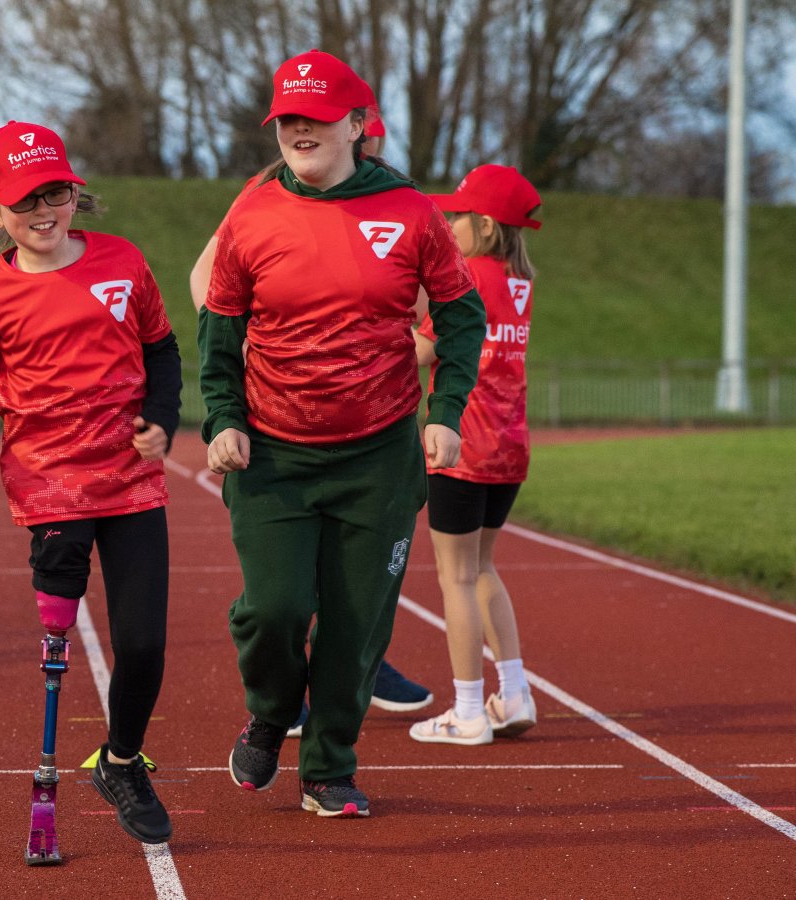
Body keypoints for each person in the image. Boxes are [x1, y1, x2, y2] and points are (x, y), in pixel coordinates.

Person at [198, 50, 486, 817]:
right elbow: (219, 328)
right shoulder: (252, 211)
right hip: (273, 455)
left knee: (357, 627)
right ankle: (270, 710)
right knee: (276, 610)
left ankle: (328, 768)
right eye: (287, 117)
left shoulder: (412, 211)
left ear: (357, 123)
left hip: (379, 457)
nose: (299, 129)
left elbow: (462, 314)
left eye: (316, 117)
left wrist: (446, 411)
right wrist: (222, 418)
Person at [0, 121, 183, 845]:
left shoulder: (123, 262)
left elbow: (162, 352)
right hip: (49, 485)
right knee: (62, 627)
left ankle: (120, 760)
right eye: (24, 202)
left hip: (132, 478)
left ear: (76, 192)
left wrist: (160, 419)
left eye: (56, 194)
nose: (43, 212)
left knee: (143, 645)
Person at [188, 100, 433, 738]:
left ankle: (346, 686)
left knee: (356, 584)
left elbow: (433, 296)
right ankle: (282, 698)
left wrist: (392, 341)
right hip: (280, 425)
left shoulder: (397, 202)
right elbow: (206, 278)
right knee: (279, 595)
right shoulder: (263, 196)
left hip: (373, 431)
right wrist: (249, 343)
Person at [408, 165, 542, 745]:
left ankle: (466, 710)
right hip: (510, 447)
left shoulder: (469, 278)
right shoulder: (518, 279)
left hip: (463, 443)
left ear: (485, 225)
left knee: (455, 578)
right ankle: (513, 695)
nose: (448, 222)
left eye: (457, 215)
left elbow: (422, 350)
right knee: (483, 568)